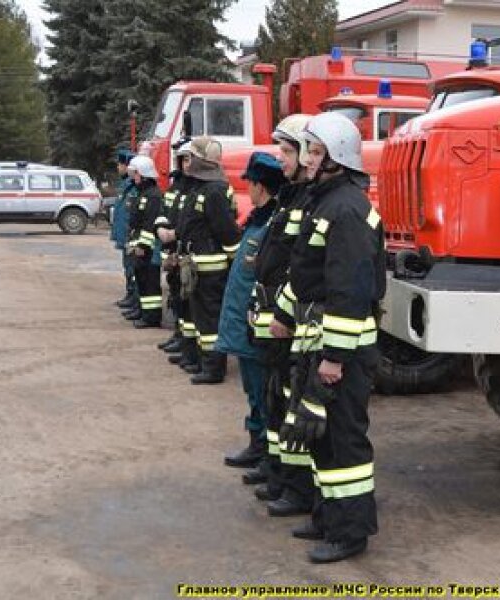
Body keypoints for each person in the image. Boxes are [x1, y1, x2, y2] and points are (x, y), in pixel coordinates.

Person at [273, 111, 386, 563]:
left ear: (337, 158)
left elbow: (350, 291)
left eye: (317, 152)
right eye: (309, 150)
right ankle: (326, 516)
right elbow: (306, 275)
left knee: (343, 439)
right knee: (318, 435)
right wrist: (286, 315)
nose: (309, 158)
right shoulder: (324, 201)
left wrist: (334, 356)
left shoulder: (348, 210)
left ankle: (350, 532)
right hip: (317, 340)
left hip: (343, 349)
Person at [248, 114, 317, 517]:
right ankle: (278, 474)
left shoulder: (309, 201)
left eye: (288, 151)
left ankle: (295, 487)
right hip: (274, 316)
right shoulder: (291, 197)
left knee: (291, 404)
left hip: (291, 321)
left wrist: (284, 311)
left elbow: (302, 266)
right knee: (276, 400)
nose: (283, 160)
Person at [216, 152, 286, 475]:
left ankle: (268, 455)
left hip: (258, 330)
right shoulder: (258, 220)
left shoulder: (273, 223)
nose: (248, 189)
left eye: (251, 183)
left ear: (262, 186)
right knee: (253, 391)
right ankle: (257, 444)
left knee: (264, 392)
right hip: (245, 326)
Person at [174, 136, 242, 384]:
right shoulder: (201, 188)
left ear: (203, 160)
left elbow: (227, 232)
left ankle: (214, 369)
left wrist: (236, 266)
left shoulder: (213, 191)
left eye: (192, 157)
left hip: (210, 269)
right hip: (197, 265)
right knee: (201, 318)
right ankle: (204, 361)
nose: (187, 163)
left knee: (210, 319)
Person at [155, 141, 193, 354]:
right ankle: (179, 335)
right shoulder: (176, 185)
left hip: (183, 250)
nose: (185, 164)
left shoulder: (195, 187)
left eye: (188, 159)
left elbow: (190, 222)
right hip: (172, 249)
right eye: (182, 159)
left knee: (186, 300)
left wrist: (174, 234)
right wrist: (160, 227)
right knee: (176, 296)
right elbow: (164, 211)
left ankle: (185, 341)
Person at [126, 155, 163, 328]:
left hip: (148, 249)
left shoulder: (153, 196)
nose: (133, 178)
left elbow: (150, 224)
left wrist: (143, 245)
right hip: (140, 246)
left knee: (150, 283)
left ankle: (152, 317)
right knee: (140, 279)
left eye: (135, 174)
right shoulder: (143, 193)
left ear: (142, 174)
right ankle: (142, 310)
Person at [112, 148, 139, 315]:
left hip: (131, 235)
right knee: (127, 266)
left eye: (120, 164)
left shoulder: (133, 187)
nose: (118, 167)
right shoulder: (125, 185)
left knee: (132, 267)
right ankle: (130, 294)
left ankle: (134, 296)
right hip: (124, 234)